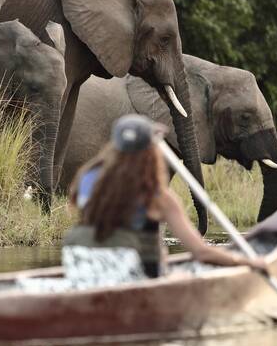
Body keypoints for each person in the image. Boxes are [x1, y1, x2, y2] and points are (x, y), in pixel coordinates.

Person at [65, 114, 265, 279]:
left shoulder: (86, 178)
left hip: (83, 271)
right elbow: (201, 252)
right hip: (131, 281)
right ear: (150, 153)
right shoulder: (158, 196)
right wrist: (247, 262)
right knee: (184, 274)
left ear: (114, 146)